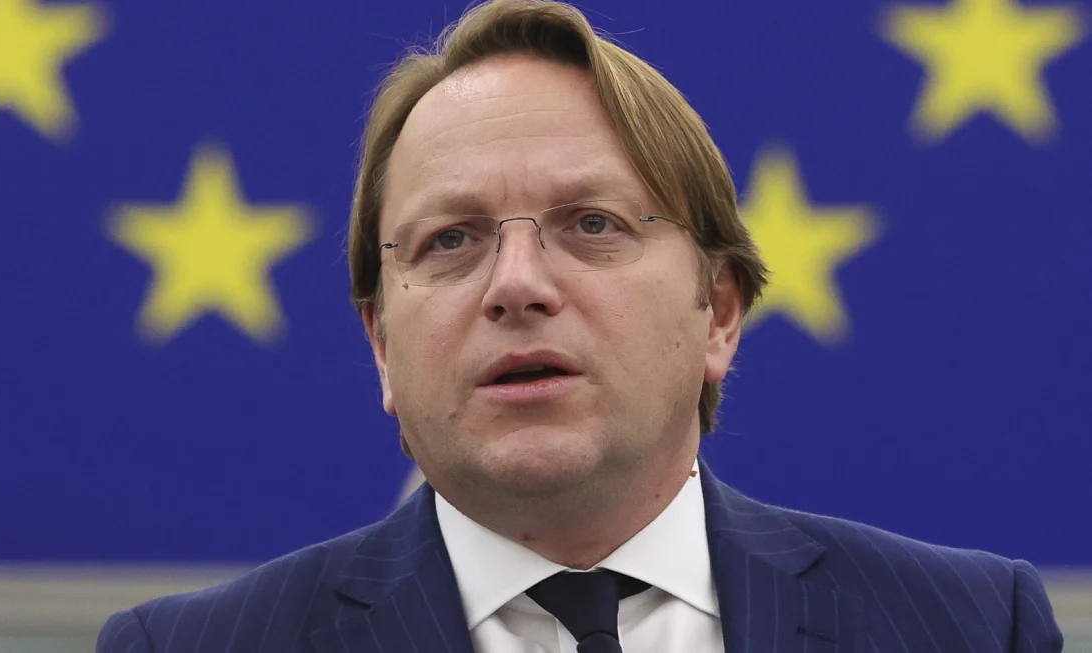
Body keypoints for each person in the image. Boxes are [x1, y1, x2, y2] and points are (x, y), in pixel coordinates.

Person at [96, 0, 1063, 651]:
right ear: (382, 346)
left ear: (718, 310)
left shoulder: (971, 626)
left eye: (591, 224)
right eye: (449, 240)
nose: (516, 286)